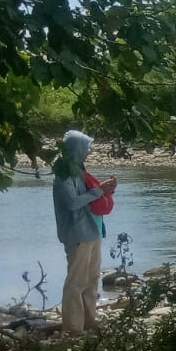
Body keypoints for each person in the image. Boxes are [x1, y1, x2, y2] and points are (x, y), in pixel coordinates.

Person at [51, 130, 116, 335]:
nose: (89, 151)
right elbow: (72, 203)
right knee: (76, 282)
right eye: (86, 147)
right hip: (77, 234)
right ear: (77, 149)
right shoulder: (63, 175)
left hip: (92, 230)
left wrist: (104, 190)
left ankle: (89, 323)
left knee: (91, 279)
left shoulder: (79, 170)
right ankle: (72, 330)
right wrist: (99, 191)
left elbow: (87, 198)